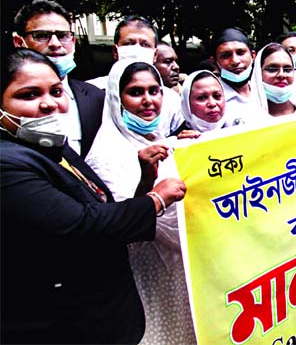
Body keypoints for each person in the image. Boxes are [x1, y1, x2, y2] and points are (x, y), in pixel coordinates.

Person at [0, 48, 186, 344]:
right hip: (63, 323)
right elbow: (80, 224)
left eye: (56, 91)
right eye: (29, 95)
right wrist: (156, 200)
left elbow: (105, 206)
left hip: (108, 314)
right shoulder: (8, 163)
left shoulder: (52, 148)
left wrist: (147, 181)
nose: (49, 104)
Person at [85, 59, 196, 344]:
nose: (148, 100)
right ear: (116, 98)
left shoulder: (165, 141)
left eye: (154, 90)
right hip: (145, 272)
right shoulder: (105, 154)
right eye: (136, 92)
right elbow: (123, 222)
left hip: (183, 268)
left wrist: (196, 152)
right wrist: (148, 183)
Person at [12, 0, 105, 159]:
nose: (55, 44)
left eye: (63, 36)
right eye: (42, 36)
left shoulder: (96, 97)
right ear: (19, 42)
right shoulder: (8, 103)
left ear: (73, 41)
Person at [86, 16, 184, 136]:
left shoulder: (172, 100)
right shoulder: (90, 92)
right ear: (115, 52)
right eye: (129, 43)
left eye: (145, 44)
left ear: (155, 55)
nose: (137, 49)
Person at [211, 27, 268, 125]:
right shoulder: (210, 101)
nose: (235, 61)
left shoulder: (266, 91)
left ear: (253, 56)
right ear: (214, 62)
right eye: (226, 55)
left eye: (240, 53)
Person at [252, 42, 296, 117]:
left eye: (287, 69)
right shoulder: (247, 119)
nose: (281, 75)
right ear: (258, 72)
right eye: (272, 69)